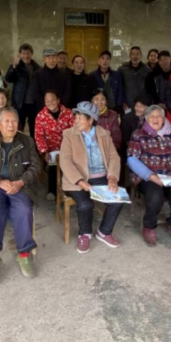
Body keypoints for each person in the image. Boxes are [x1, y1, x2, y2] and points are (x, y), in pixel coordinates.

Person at [0, 106, 42, 285]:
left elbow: (36, 166)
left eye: (14, 121)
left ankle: (24, 255)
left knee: (24, 209)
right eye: (7, 121)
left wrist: (21, 182)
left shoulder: (26, 141)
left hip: (18, 185)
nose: (11, 125)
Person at [59, 101, 123, 253]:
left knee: (117, 200)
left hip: (101, 177)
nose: (76, 121)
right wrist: (80, 181)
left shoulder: (103, 134)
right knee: (85, 205)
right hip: (77, 179)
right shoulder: (69, 134)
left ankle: (104, 232)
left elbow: (114, 157)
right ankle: (84, 234)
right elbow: (65, 160)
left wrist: (112, 177)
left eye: (80, 118)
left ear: (91, 120)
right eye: (76, 117)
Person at [128, 105, 171, 247]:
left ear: (163, 118)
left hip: (170, 176)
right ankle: (149, 226)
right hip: (148, 177)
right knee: (155, 196)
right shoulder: (138, 135)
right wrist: (150, 176)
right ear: (146, 118)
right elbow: (132, 159)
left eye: (159, 116)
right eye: (152, 116)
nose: (155, 119)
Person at [34, 91, 75, 201]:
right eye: (47, 101)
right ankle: (52, 190)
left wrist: (72, 148)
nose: (50, 103)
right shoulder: (41, 116)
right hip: (51, 149)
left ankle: (68, 189)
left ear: (58, 100)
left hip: (67, 147)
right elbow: (39, 136)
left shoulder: (68, 113)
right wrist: (44, 152)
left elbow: (74, 131)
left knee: (69, 165)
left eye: (52, 100)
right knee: (53, 164)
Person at [4, 43, 40, 134]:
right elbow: (8, 79)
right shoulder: (16, 66)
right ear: (20, 54)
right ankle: (19, 143)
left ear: (32, 54)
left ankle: (33, 143)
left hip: (33, 103)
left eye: (28, 53)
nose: (26, 56)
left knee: (34, 128)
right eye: (23, 53)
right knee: (19, 127)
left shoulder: (37, 67)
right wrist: (13, 68)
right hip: (20, 103)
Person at [120, 46, 150, 113]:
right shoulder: (122, 70)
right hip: (127, 104)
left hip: (142, 104)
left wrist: (147, 102)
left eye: (137, 54)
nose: (135, 56)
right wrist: (122, 102)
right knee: (127, 119)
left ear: (140, 56)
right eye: (133, 54)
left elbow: (149, 89)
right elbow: (120, 88)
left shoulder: (147, 70)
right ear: (130, 56)